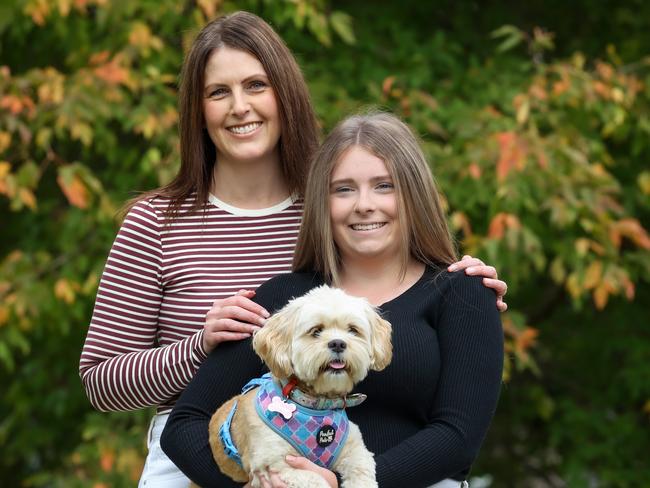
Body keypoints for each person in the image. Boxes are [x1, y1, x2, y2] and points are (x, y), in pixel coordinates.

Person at [78, 12, 507, 487]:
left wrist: (461, 282)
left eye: (257, 85)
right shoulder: (158, 222)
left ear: (285, 93)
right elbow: (101, 381)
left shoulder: (327, 207)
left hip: (334, 448)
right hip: (214, 446)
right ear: (197, 111)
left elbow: (395, 263)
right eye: (218, 92)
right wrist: (201, 345)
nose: (240, 106)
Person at [160, 112, 504, 488]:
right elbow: (183, 425)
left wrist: (342, 486)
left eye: (384, 186)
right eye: (343, 189)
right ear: (323, 202)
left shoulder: (463, 293)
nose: (363, 204)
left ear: (414, 193)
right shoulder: (284, 301)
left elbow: (458, 437)